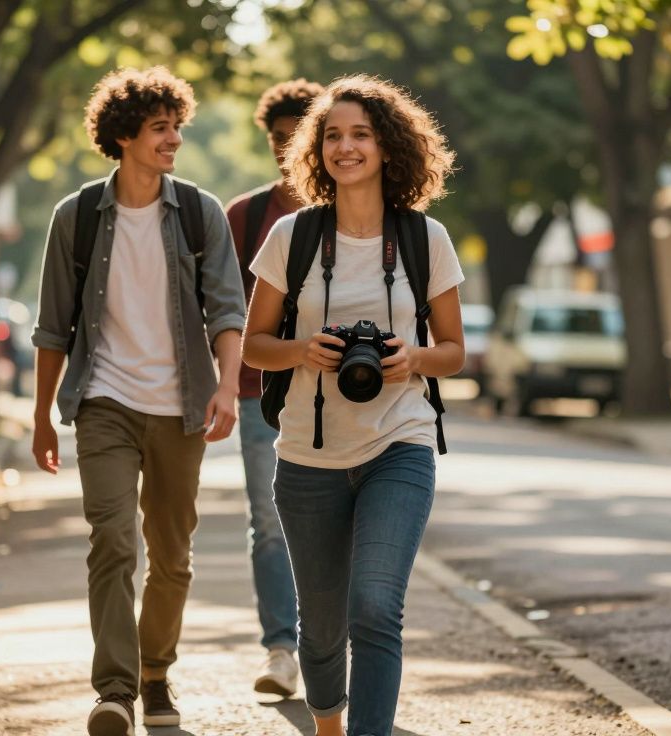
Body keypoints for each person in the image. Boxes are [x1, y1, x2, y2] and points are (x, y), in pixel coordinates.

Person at [242, 76, 465, 736]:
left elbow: (452, 350)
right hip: (309, 457)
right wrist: (303, 349)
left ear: (390, 146)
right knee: (320, 624)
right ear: (315, 150)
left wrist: (413, 360)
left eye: (361, 134)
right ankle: (329, 725)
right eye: (332, 135)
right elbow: (254, 346)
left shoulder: (426, 240)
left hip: (400, 443)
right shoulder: (293, 236)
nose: (346, 146)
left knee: (374, 605)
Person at [29, 67, 246, 736]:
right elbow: (52, 326)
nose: (174, 139)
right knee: (114, 542)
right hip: (105, 402)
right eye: (161, 128)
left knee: (172, 555)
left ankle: (156, 671)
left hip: (181, 405)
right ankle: (115, 691)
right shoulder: (78, 218)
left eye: (176, 126)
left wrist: (229, 385)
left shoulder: (201, 212)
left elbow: (227, 308)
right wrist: (41, 413)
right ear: (124, 136)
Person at [224, 77, 324, 698]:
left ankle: (327, 647)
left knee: (333, 524)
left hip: (345, 395)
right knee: (270, 522)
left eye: (298, 138)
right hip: (263, 394)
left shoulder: (355, 209)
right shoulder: (247, 215)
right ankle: (281, 649)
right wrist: (222, 384)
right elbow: (224, 309)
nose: (288, 150)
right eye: (278, 140)